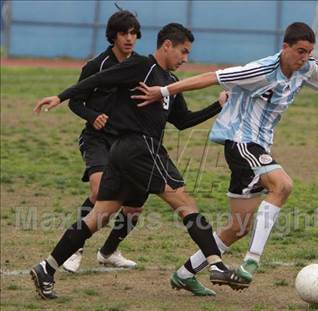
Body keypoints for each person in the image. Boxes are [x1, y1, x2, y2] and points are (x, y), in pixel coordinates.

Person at [133, 22, 318, 289]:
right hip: (240, 142)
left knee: (238, 228)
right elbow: (212, 77)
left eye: (308, 51)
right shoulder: (261, 69)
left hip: (259, 147)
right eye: (299, 51)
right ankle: (251, 262)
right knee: (282, 185)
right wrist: (165, 90)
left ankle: (184, 273)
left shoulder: (308, 68)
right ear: (284, 47)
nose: (304, 57)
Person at [31, 22, 246, 300]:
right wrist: (61, 97)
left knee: (99, 216)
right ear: (166, 45)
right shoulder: (141, 66)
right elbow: (98, 80)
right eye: (183, 51)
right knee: (185, 204)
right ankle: (216, 265)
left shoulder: (170, 84)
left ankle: (46, 268)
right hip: (139, 147)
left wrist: (217, 106)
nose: (185, 59)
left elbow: (182, 121)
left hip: (127, 152)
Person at [61, 9, 142, 274]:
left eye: (133, 33)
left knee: (133, 205)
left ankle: (109, 252)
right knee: (99, 192)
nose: (129, 38)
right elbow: (76, 101)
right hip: (96, 139)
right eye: (123, 33)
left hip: (126, 141)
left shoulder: (140, 65)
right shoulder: (97, 65)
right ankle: (75, 248)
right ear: (113, 36)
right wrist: (93, 115)